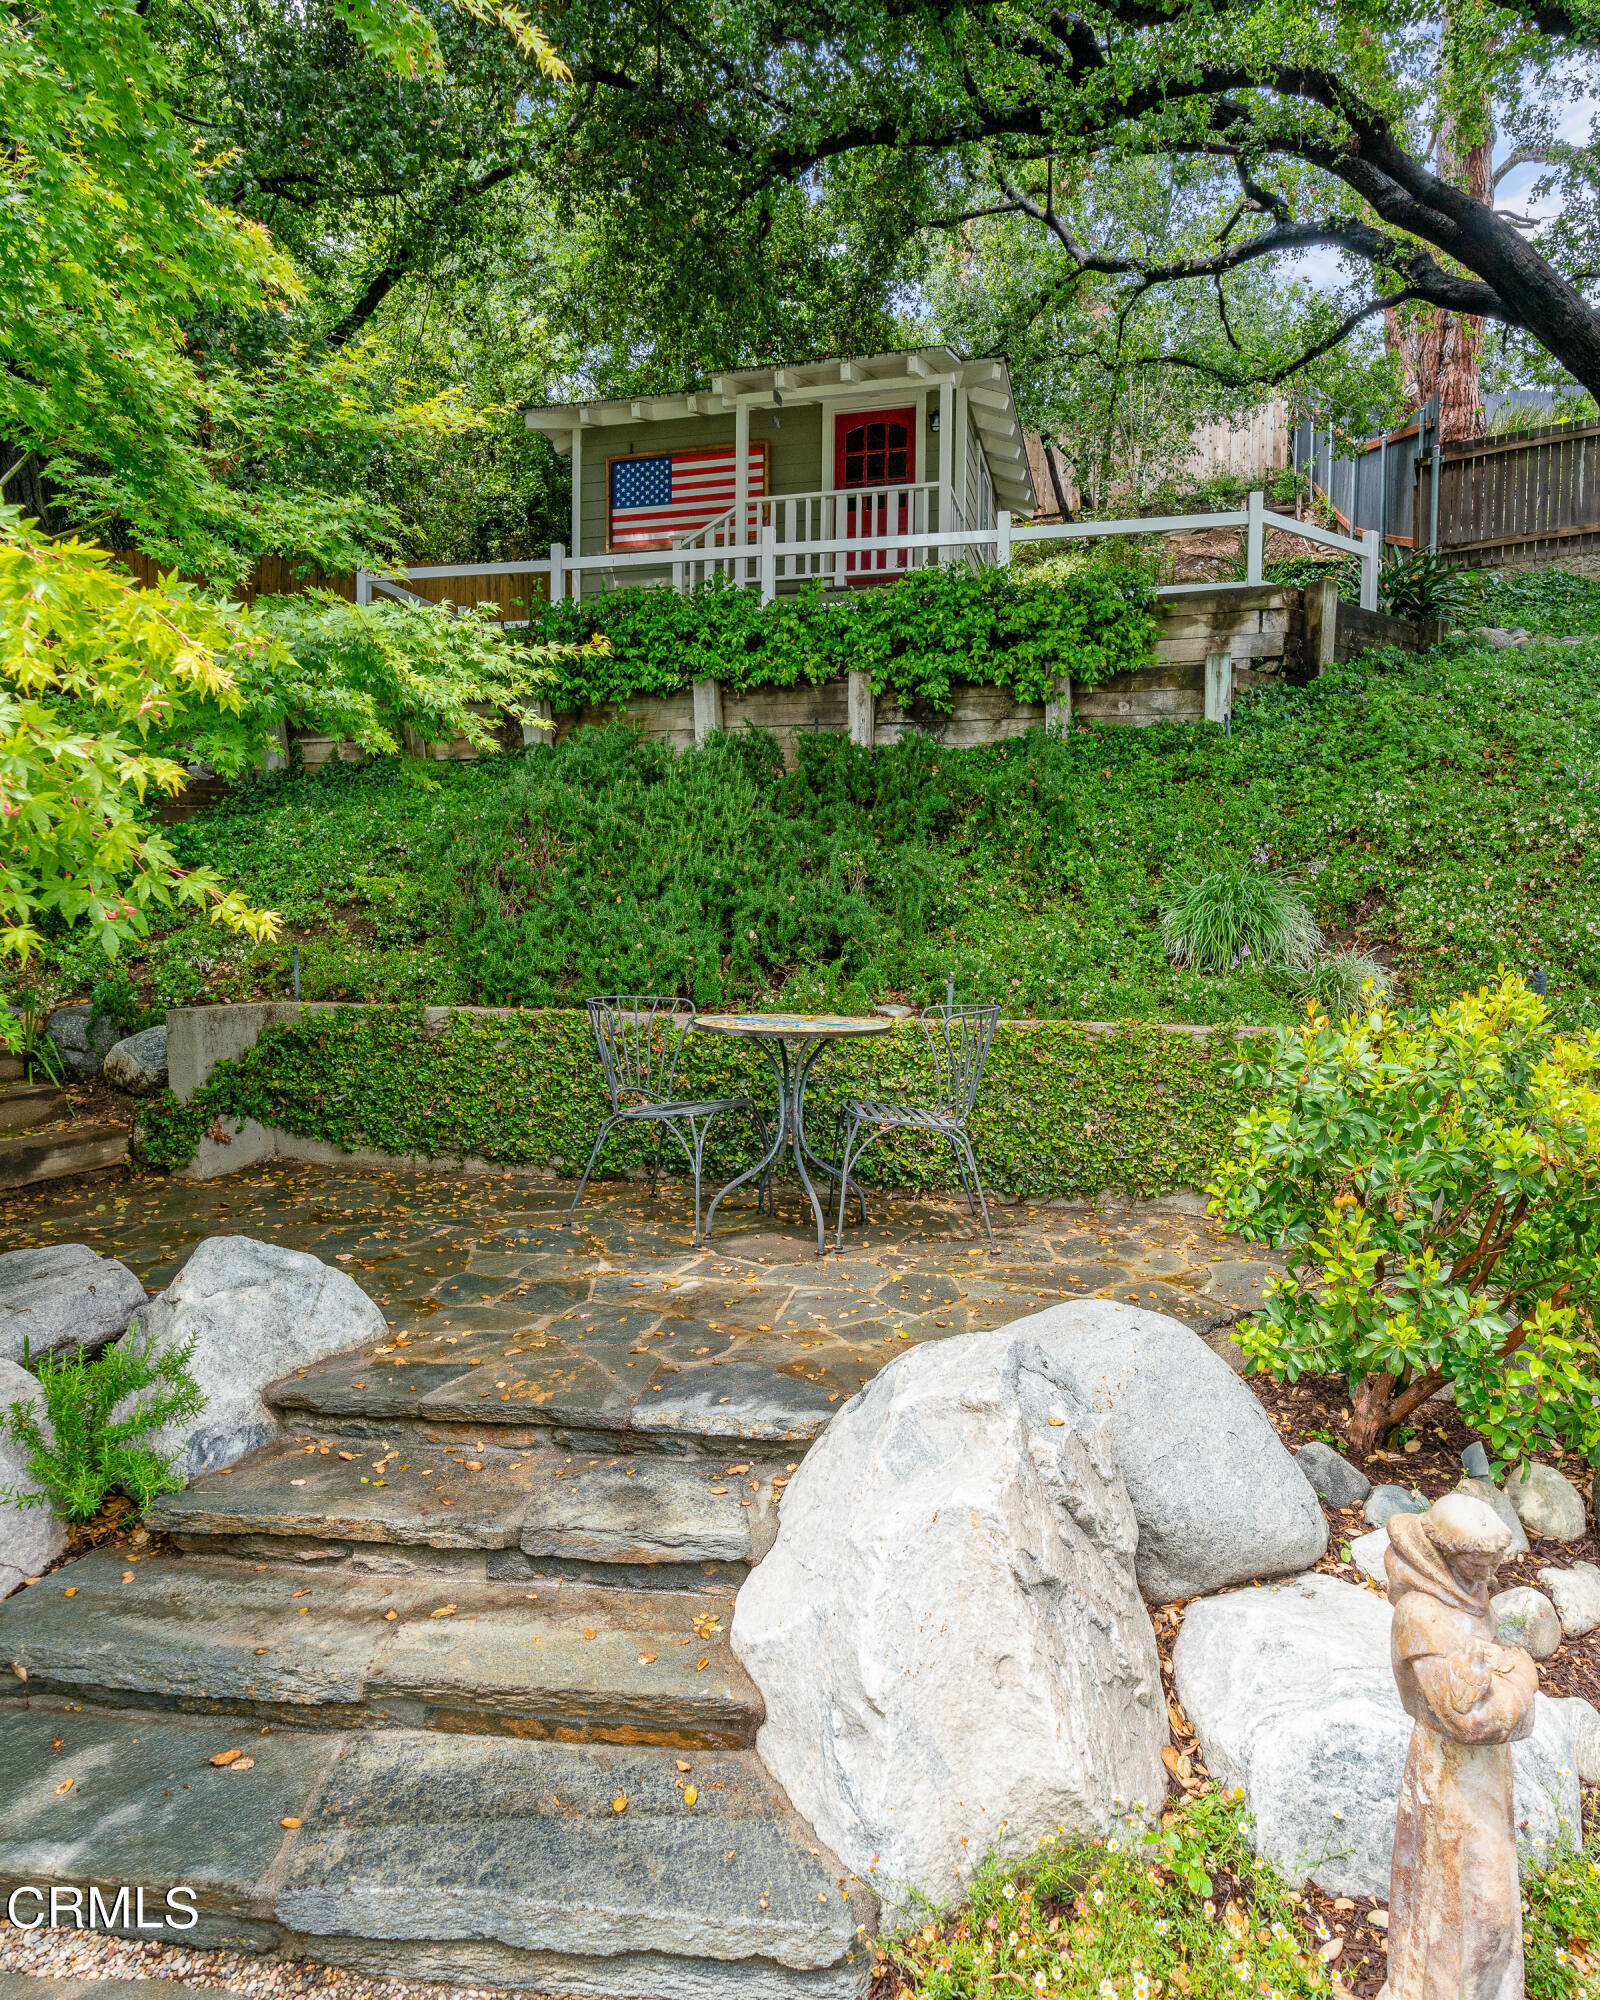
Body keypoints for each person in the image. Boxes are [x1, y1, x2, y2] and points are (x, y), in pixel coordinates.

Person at [1380, 1492, 1539, 2000]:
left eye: (1494, 1566)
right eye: (1477, 1563)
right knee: (1464, 1906)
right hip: (1447, 1775)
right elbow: (1464, 1719)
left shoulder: (1472, 1601)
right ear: (1442, 1555)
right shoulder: (1421, 1615)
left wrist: (1505, 1683)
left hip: (1485, 1773)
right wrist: (1522, 1682)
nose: (1490, 1579)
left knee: (1486, 1914)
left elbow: (1487, 1696)